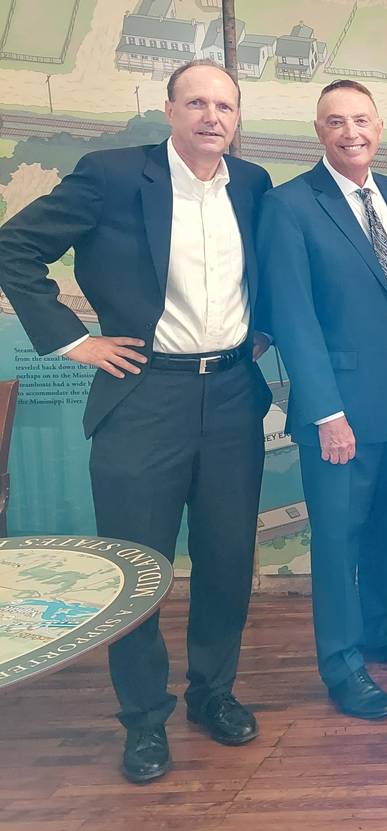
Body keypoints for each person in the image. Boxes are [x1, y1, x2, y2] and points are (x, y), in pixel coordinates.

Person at [0, 60, 272, 782]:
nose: (211, 117)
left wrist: (263, 333)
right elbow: (13, 246)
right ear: (169, 109)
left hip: (232, 397)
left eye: (224, 106)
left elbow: (270, 273)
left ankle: (214, 694)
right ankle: (144, 720)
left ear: (236, 118)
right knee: (140, 568)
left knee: (226, 560)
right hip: (142, 394)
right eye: (197, 103)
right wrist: (71, 340)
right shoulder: (114, 176)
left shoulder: (252, 185)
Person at [259, 80, 387, 721]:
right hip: (337, 411)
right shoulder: (290, 206)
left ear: (380, 126)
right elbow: (293, 317)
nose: (351, 133)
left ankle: (385, 631)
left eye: (361, 120)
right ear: (318, 132)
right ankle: (341, 664)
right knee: (338, 540)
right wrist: (325, 412)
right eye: (335, 122)